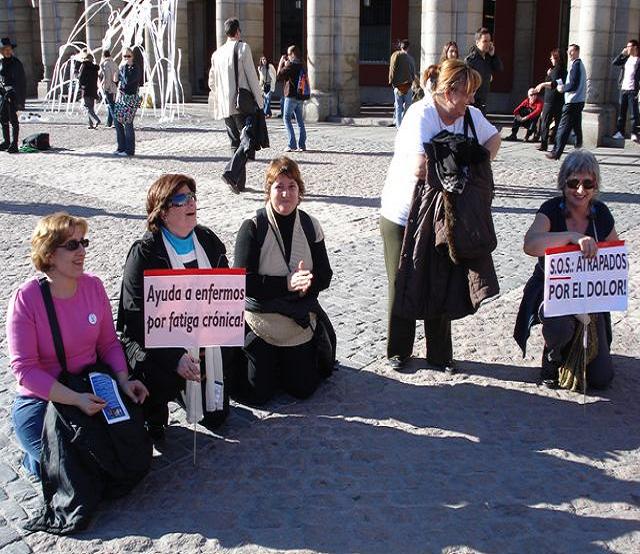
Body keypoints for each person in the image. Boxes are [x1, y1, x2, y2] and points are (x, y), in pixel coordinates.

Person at [380, 59, 501, 372]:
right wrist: (466, 158)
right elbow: (422, 167)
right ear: (449, 92)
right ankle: (399, 351)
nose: (472, 100)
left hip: (447, 214)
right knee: (403, 277)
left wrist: (474, 159)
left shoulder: (470, 116)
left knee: (442, 278)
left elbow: (493, 139)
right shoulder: (421, 114)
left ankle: (439, 354)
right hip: (404, 213)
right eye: (467, 93)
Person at [7, 213, 148, 478]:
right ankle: (35, 461)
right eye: (72, 245)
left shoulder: (93, 287)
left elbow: (108, 343)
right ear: (48, 253)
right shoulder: (26, 299)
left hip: (89, 390)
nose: (81, 251)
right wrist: (75, 399)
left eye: (83, 243)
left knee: (123, 460)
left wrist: (123, 380)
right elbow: (25, 370)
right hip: (44, 402)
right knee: (77, 471)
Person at [118, 174, 234, 439]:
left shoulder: (207, 240)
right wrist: (175, 357)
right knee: (157, 379)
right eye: (181, 199)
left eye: (192, 196)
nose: (191, 203)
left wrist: (212, 338)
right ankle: (154, 409)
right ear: (162, 211)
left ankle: (189, 390)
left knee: (217, 418)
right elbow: (136, 320)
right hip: (157, 347)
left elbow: (225, 297)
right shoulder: (145, 253)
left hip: (202, 344)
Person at [514, 150, 618, 389]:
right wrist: (572, 237)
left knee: (601, 378)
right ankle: (553, 354)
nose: (580, 190)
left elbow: (615, 254)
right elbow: (531, 244)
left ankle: (579, 348)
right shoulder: (550, 210)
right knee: (558, 319)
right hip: (553, 289)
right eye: (574, 183)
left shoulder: (600, 213)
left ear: (595, 186)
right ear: (564, 183)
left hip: (589, 295)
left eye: (588, 184)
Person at [233, 157, 333, 404]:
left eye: (292, 187)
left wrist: (308, 281)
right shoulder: (252, 227)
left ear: (300, 191)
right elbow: (243, 282)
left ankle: (283, 363)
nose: (286, 194)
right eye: (279, 187)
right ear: (268, 191)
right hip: (261, 320)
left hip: (296, 319)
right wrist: (286, 284)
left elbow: (325, 274)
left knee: (303, 389)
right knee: (259, 395)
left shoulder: (310, 226)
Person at [208, 17, 264, 194]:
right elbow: (252, 77)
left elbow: (211, 82)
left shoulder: (216, 54)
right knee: (248, 141)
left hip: (225, 106)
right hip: (241, 104)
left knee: (235, 143)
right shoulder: (242, 48)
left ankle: (238, 184)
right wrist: (260, 101)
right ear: (238, 32)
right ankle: (231, 173)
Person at [546, 44, 586, 160]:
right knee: (577, 126)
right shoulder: (580, 65)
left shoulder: (575, 65)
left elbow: (573, 84)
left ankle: (556, 152)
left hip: (572, 101)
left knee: (563, 128)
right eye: (569, 51)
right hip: (579, 101)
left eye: (572, 51)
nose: (570, 53)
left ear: (577, 51)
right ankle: (579, 149)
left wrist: (563, 88)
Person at [534, 48, 567, 152]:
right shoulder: (561, 70)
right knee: (558, 123)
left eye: (552, 57)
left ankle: (544, 144)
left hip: (551, 100)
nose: (550, 59)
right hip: (559, 100)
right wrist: (549, 74)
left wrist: (542, 84)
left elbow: (554, 84)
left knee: (545, 122)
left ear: (556, 59)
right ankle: (556, 144)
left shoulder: (556, 70)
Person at [277, 45, 308, 152]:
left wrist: (281, 63)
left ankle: (292, 144)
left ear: (293, 54)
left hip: (290, 96)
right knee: (300, 121)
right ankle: (302, 145)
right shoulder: (302, 64)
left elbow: (279, 75)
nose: (288, 56)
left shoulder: (291, 65)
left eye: (289, 54)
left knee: (286, 119)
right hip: (300, 97)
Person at [465, 27, 503, 114]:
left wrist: (493, 55)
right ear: (477, 42)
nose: (488, 44)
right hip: (473, 102)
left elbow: (499, 68)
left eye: (489, 41)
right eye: (485, 41)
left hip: (483, 100)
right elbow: (466, 81)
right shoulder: (471, 60)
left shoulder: (489, 57)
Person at [114, 47, 141, 157]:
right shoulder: (123, 67)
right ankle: (121, 147)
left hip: (131, 97)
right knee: (117, 121)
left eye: (128, 56)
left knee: (128, 123)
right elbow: (116, 80)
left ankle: (129, 150)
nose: (126, 58)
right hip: (121, 97)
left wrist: (124, 68)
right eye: (124, 56)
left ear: (132, 56)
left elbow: (128, 81)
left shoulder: (135, 68)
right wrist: (118, 70)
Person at [0, 37, 26, 153]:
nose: (7, 51)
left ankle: (14, 143)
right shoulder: (1, 63)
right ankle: (6, 141)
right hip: (2, 95)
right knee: (3, 118)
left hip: (12, 95)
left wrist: (17, 97)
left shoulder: (16, 63)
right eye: (5, 49)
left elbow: (21, 81)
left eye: (9, 49)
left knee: (13, 120)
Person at [612, 39, 640, 141]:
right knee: (621, 113)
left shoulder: (638, 60)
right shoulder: (626, 59)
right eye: (627, 46)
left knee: (634, 113)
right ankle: (620, 132)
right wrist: (621, 54)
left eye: (629, 47)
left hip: (633, 90)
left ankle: (634, 133)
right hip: (623, 88)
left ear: (635, 48)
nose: (627, 48)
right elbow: (615, 62)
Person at [389, 39, 416, 127]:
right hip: (408, 86)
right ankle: (405, 125)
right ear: (408, 48)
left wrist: (392, 83)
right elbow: (413, 73)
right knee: (407, 107)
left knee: (398, 107)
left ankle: (398, 126)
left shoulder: (395, 56)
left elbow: (392, 70)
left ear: (401, 47)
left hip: (397, 86)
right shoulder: (410, 58)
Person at [78, 52, 101, 129]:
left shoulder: (84, 66)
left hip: (86, 89)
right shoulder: (95, 68)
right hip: (93, 89)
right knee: (91, 108)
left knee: (87, 107)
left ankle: (96, 120)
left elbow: (80, 77)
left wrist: (80, 86)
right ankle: (91, 125)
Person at [99, 49, 118, 128]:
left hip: (109, 87)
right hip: (114, 86)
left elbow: (107, 77)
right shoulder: (114, 63)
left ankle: (116, 123)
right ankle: (109, 122)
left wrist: (106, 88)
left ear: (103, 55)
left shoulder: (105, 64)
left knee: (111, 105)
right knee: (111, 104)